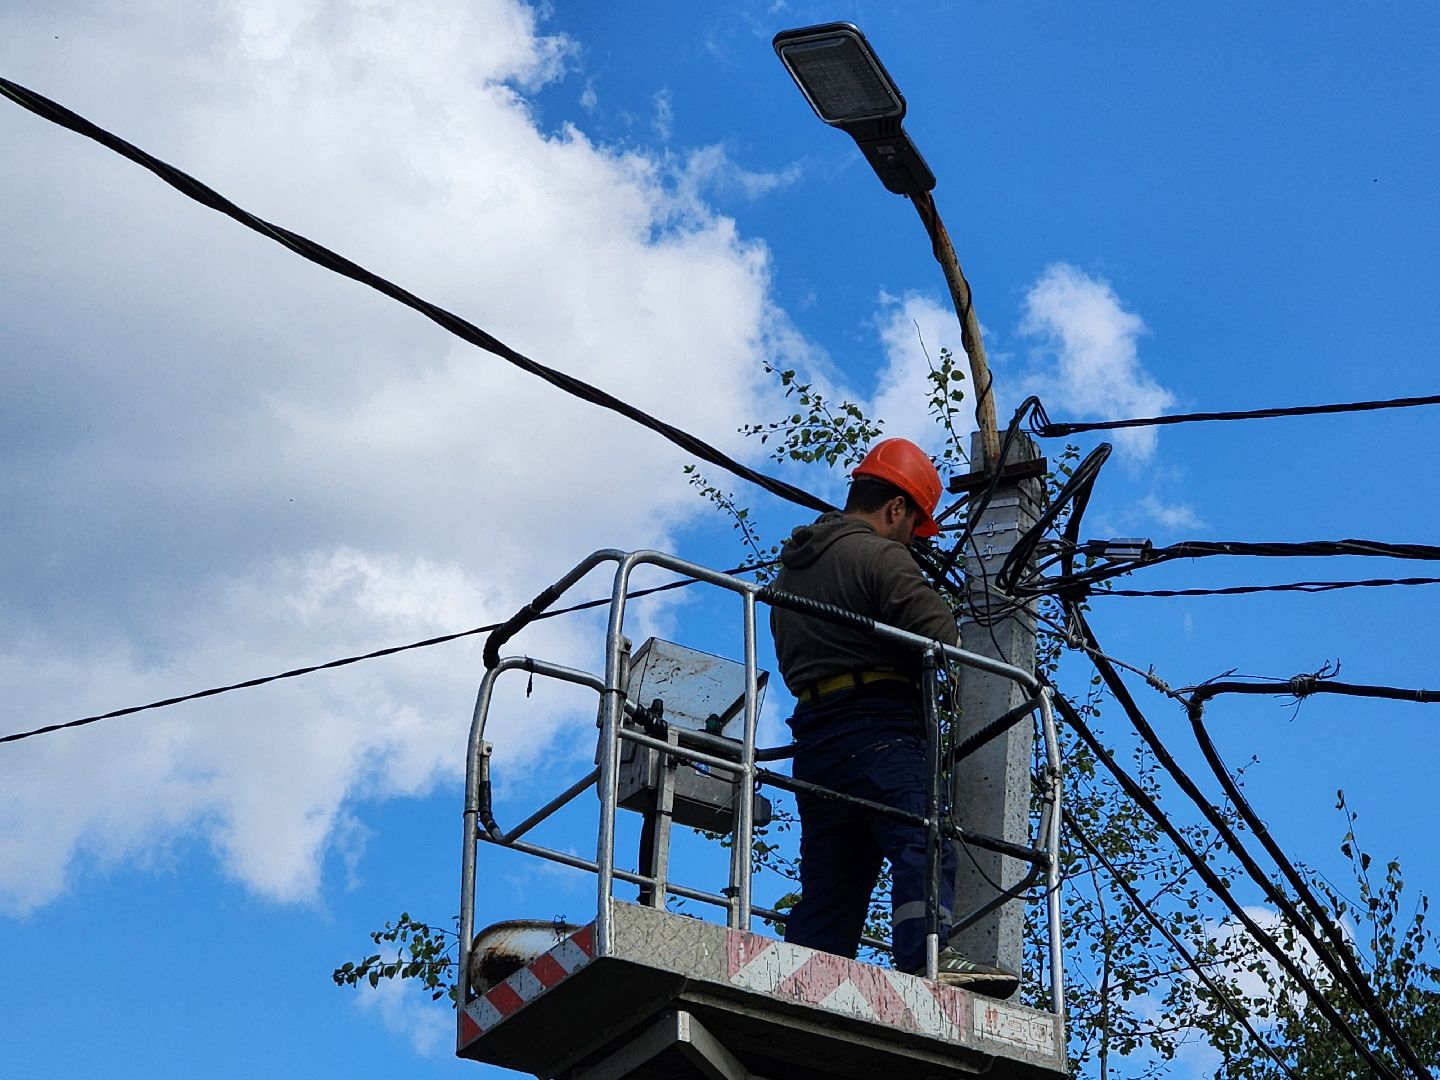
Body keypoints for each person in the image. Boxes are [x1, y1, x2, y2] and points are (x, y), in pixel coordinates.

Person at [770, 437, 1018, 997]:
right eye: (914, 526)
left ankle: (808, 975)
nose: (912, 540)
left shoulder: (791, 576)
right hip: (880, 727)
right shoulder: (880, 555)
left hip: (816, 740)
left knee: (835, 873)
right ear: (897, 507)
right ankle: (929, 954)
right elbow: (939, 635)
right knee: (920, 839)